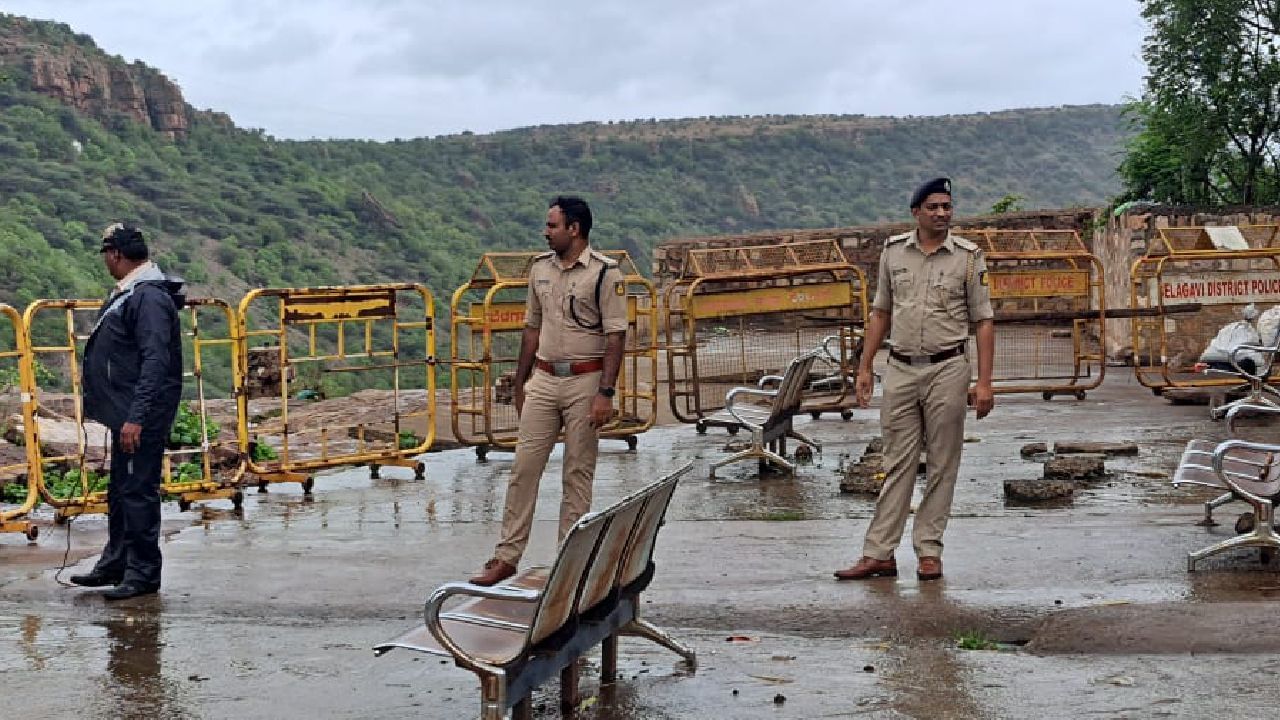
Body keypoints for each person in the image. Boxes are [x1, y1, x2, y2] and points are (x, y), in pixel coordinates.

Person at [834, 177, 994, 582]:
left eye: (947, 206)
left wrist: (985, 382)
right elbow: (880, 313)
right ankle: (879, 553)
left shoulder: (969, 258)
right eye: (933, 207)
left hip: (948, 366)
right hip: (901, 368)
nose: (942, 213)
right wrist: (865, 367)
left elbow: (984, 322)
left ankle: (928, 551)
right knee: (897, 463)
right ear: (916, 212)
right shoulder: (893, 253)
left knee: (942, 462)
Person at [469, 196, 628, 586]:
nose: (546, 231)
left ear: (574, 229)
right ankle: (506, 557)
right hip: (543, 378)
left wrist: (605, 392)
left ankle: (568, 562)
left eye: (553, 225)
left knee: (577, 472)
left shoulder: (606, 275)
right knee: (524, 468)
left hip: (585, 379)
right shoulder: (540, 269)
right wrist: (520, 382)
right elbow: (531, 329)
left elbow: (616, 337)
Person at [71, 223, 184, 600]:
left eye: (106, 254)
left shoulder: (148, 298)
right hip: (126, 414)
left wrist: (137, 416)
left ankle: (143, 572)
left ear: (115, 255)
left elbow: (155, 361)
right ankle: (116, 561)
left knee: (137, 490)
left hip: (141, 415)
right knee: (121, 489)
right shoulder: (132, 292)